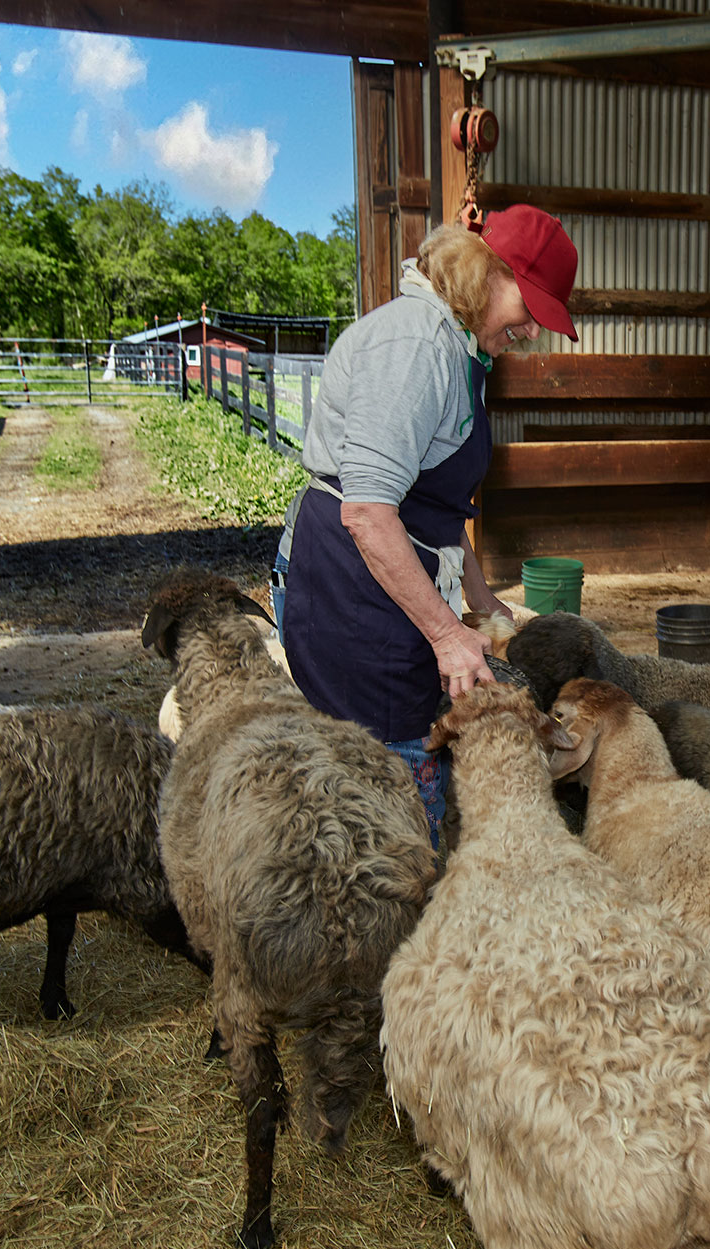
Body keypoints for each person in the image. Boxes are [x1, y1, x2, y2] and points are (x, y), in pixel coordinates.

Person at [277, 207, 579, 844]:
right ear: (490, 272)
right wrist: (446, 636)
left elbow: (435, 502)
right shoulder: (414, 346)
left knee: (410, 763)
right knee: (389, 794)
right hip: (356, 597)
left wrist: (476, 593)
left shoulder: (461, 346)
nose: (531, 331)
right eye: (532, 309)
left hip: (395, 583)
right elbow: (366, 511)